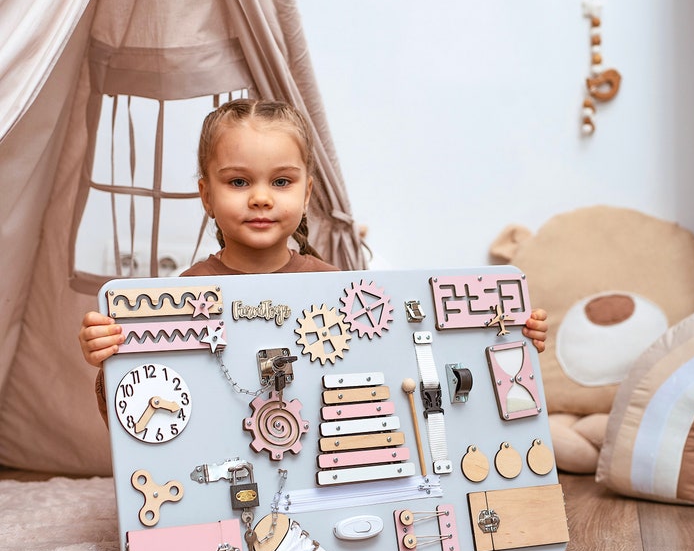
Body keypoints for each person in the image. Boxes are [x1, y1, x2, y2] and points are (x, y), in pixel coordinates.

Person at [79, 98, 547, 378]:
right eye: (238, 182)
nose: (260, 198)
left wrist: (505, 335)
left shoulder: (336, 286)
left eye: (280, 182)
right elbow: (154, 391)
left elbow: (398, 366)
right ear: (206, 194)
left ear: (306, 195)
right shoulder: (181, 293)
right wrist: (110, 354)